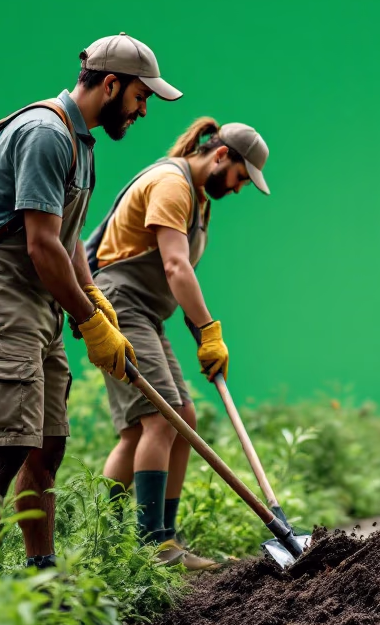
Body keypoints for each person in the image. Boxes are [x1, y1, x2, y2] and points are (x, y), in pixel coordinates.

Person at [0, 33, 182, 569]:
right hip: (3, 298)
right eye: (140, 96)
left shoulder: (81, 146)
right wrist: (89, 320)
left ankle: (42, 574)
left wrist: (96, 302)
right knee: (5, 446)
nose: (144, 108)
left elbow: (68, 244)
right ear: (110, 84)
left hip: (42, 306)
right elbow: (38, 246)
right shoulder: (45, 134)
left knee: (46, 446)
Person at [86, 117, 271, 570]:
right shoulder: (172, 184)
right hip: (121, 303)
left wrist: (200, 332)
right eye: (241, 178)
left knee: (176, 418)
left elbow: (177, 278)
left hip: (148, 312)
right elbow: (175, 268)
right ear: (221, 155)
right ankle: (154, 545)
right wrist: (207, 330)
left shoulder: (199, 198)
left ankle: (113, 539)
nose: (240, 188)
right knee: (160, 421)